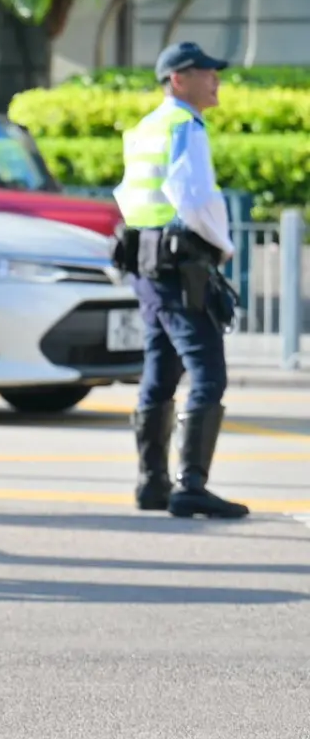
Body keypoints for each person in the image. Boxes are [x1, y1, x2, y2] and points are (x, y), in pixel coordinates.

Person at [118, 42, 247, 520]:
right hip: (180, 265)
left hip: (149, 266)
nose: (215, 79)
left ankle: (151, 483)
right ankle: (190, 485)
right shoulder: (185, 126)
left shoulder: (147, 127)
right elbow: (194, 197)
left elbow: (128, 197)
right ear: (179, 79)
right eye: (206, 72)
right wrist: (223, 246)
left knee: (161, 369)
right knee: (208, 370)